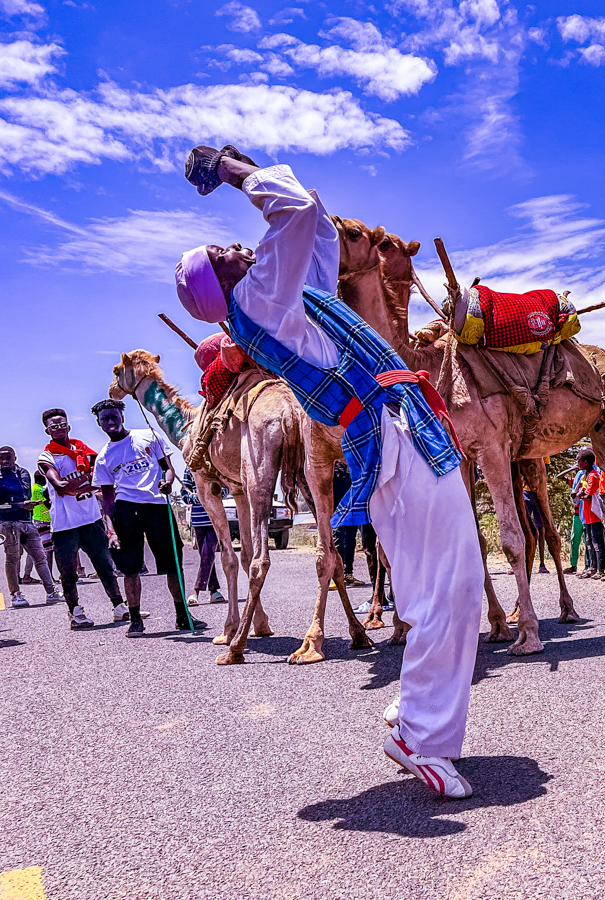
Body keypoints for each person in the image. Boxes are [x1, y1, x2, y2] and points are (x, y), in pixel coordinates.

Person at [176, 148, 482, 798]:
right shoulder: (262, 300)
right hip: (394, 437)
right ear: (221, 284)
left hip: (406, 427)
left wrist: (245, 163)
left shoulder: (282, 295)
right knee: (447, 589)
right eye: (223, 251)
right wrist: (231, 171)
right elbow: (299, 210)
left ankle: (417, 715)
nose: (236, 244)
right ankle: (420, 739)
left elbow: (309, 226)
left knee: (451, 584)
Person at [91, 399, 202, 636]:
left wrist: (168, 482)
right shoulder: (103, 458)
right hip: (126, 511)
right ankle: (135, 620)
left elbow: (168, 467)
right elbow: (107, 499)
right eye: (105, 419)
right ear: (99, 424)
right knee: (130, 569)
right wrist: (110, 531)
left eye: (114, 416)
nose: (110, 422)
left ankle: (182, 616)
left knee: (173, 565)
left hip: (157, 507)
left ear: (122, 416)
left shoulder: (148, 436)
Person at [37, 408, 128, 629]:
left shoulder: (83, 450)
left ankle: (119, 607)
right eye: (53, 426)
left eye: (62, 424)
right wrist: (88, 479)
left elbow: (105, 473)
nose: (58, 429)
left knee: (105, 566)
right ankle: (75, 613)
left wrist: (82, 483)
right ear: (47, 430)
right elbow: (60, 486)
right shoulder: (47, 456)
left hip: (91, 519)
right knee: (68, 574)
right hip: (65, 526)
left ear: (69, 425)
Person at [0, 446, 61, 608]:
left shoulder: (23, 473)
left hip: (27, 521)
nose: (5, 461)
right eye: (1, 458)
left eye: (8, 457)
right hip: (7, 523)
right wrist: (17, 504)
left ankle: (51, 592)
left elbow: (23, 492)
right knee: (12, 558)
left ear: (15, 458)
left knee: (40, 557)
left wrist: (12, 502)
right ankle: (16, 594)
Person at [180, 468, 226, 606]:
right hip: (198, 522)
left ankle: (196, 591)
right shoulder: (189, 470)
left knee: (208, 554)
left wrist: (214, 493)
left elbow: (226, 489)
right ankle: (213, 591)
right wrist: (201, 495)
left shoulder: (216, 466)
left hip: (214, 520)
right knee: (207, 557)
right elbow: (185, 495)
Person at [574, 448, 605, 580]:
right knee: (589, 542)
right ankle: (592, 567)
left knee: (597, 542)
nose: (578, 463)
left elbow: (588, 495)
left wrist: (580, 494)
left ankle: (600, 568)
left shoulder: (593, 475)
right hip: (587, 516)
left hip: (594, 515)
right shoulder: (586, 476)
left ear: (586, 462)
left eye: (579, 461)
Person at [21, 470, 55, 585]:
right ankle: (49, 577)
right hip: (43, 521)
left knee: (33, 550)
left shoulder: (33, 488)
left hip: (37, 520)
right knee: (48, 550)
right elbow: (49, 504)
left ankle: (27, 575)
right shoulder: (40, 489)